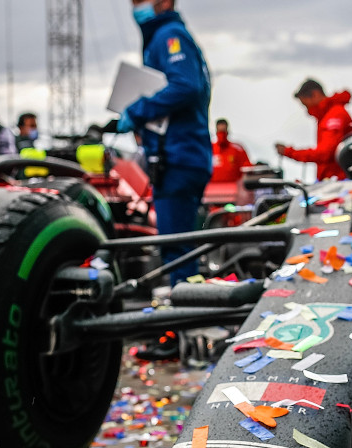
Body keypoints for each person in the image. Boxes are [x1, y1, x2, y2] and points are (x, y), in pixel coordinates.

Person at [118, 0, 212, 360]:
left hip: (178, 159)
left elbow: (185, 86)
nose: (135, 6)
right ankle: (182, 333)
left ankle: (181, 337)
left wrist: (138, 110)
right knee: (178, 247)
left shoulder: (170, 36)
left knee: (176, 250)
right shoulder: (167, 35)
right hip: (179, 157)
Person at [275, 79, 352, 181]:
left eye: (305, 105)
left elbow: (324, 153)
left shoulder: (335, 115)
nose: (306, 110)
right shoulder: (327, 116)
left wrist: (289, 152)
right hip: (331, 181)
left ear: (315, 94)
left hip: (338, 182)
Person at [210, 118, 251, 184]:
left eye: (223, 131)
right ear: (216, 131)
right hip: (211, 188)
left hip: (233, 188)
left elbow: (247, 168)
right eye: (220, 131)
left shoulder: (237, 149)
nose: (222, 134)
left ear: (227, 131)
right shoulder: (210, 148)